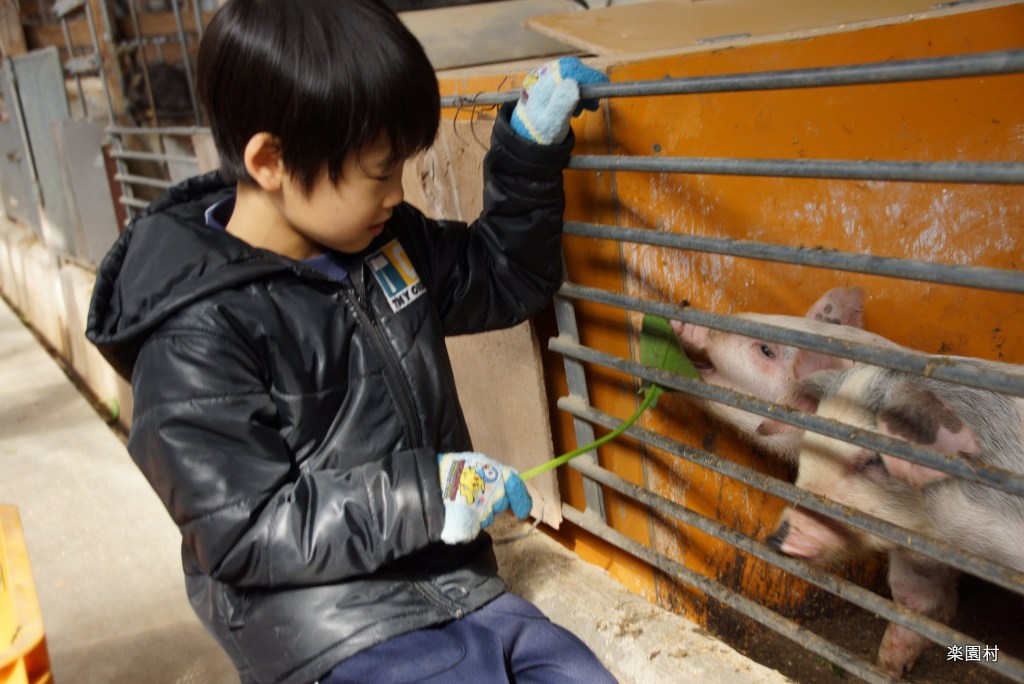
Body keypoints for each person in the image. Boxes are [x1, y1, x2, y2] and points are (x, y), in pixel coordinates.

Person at [85, 0, 616, 683]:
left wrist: (529, 151)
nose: (399, 191)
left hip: (458, 588)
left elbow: (505, 276)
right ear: (271, 159)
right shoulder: (194, 333)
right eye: (378, 171)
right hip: (336, 634)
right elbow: (247, 532)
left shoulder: (383, 243)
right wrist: (430, 493)